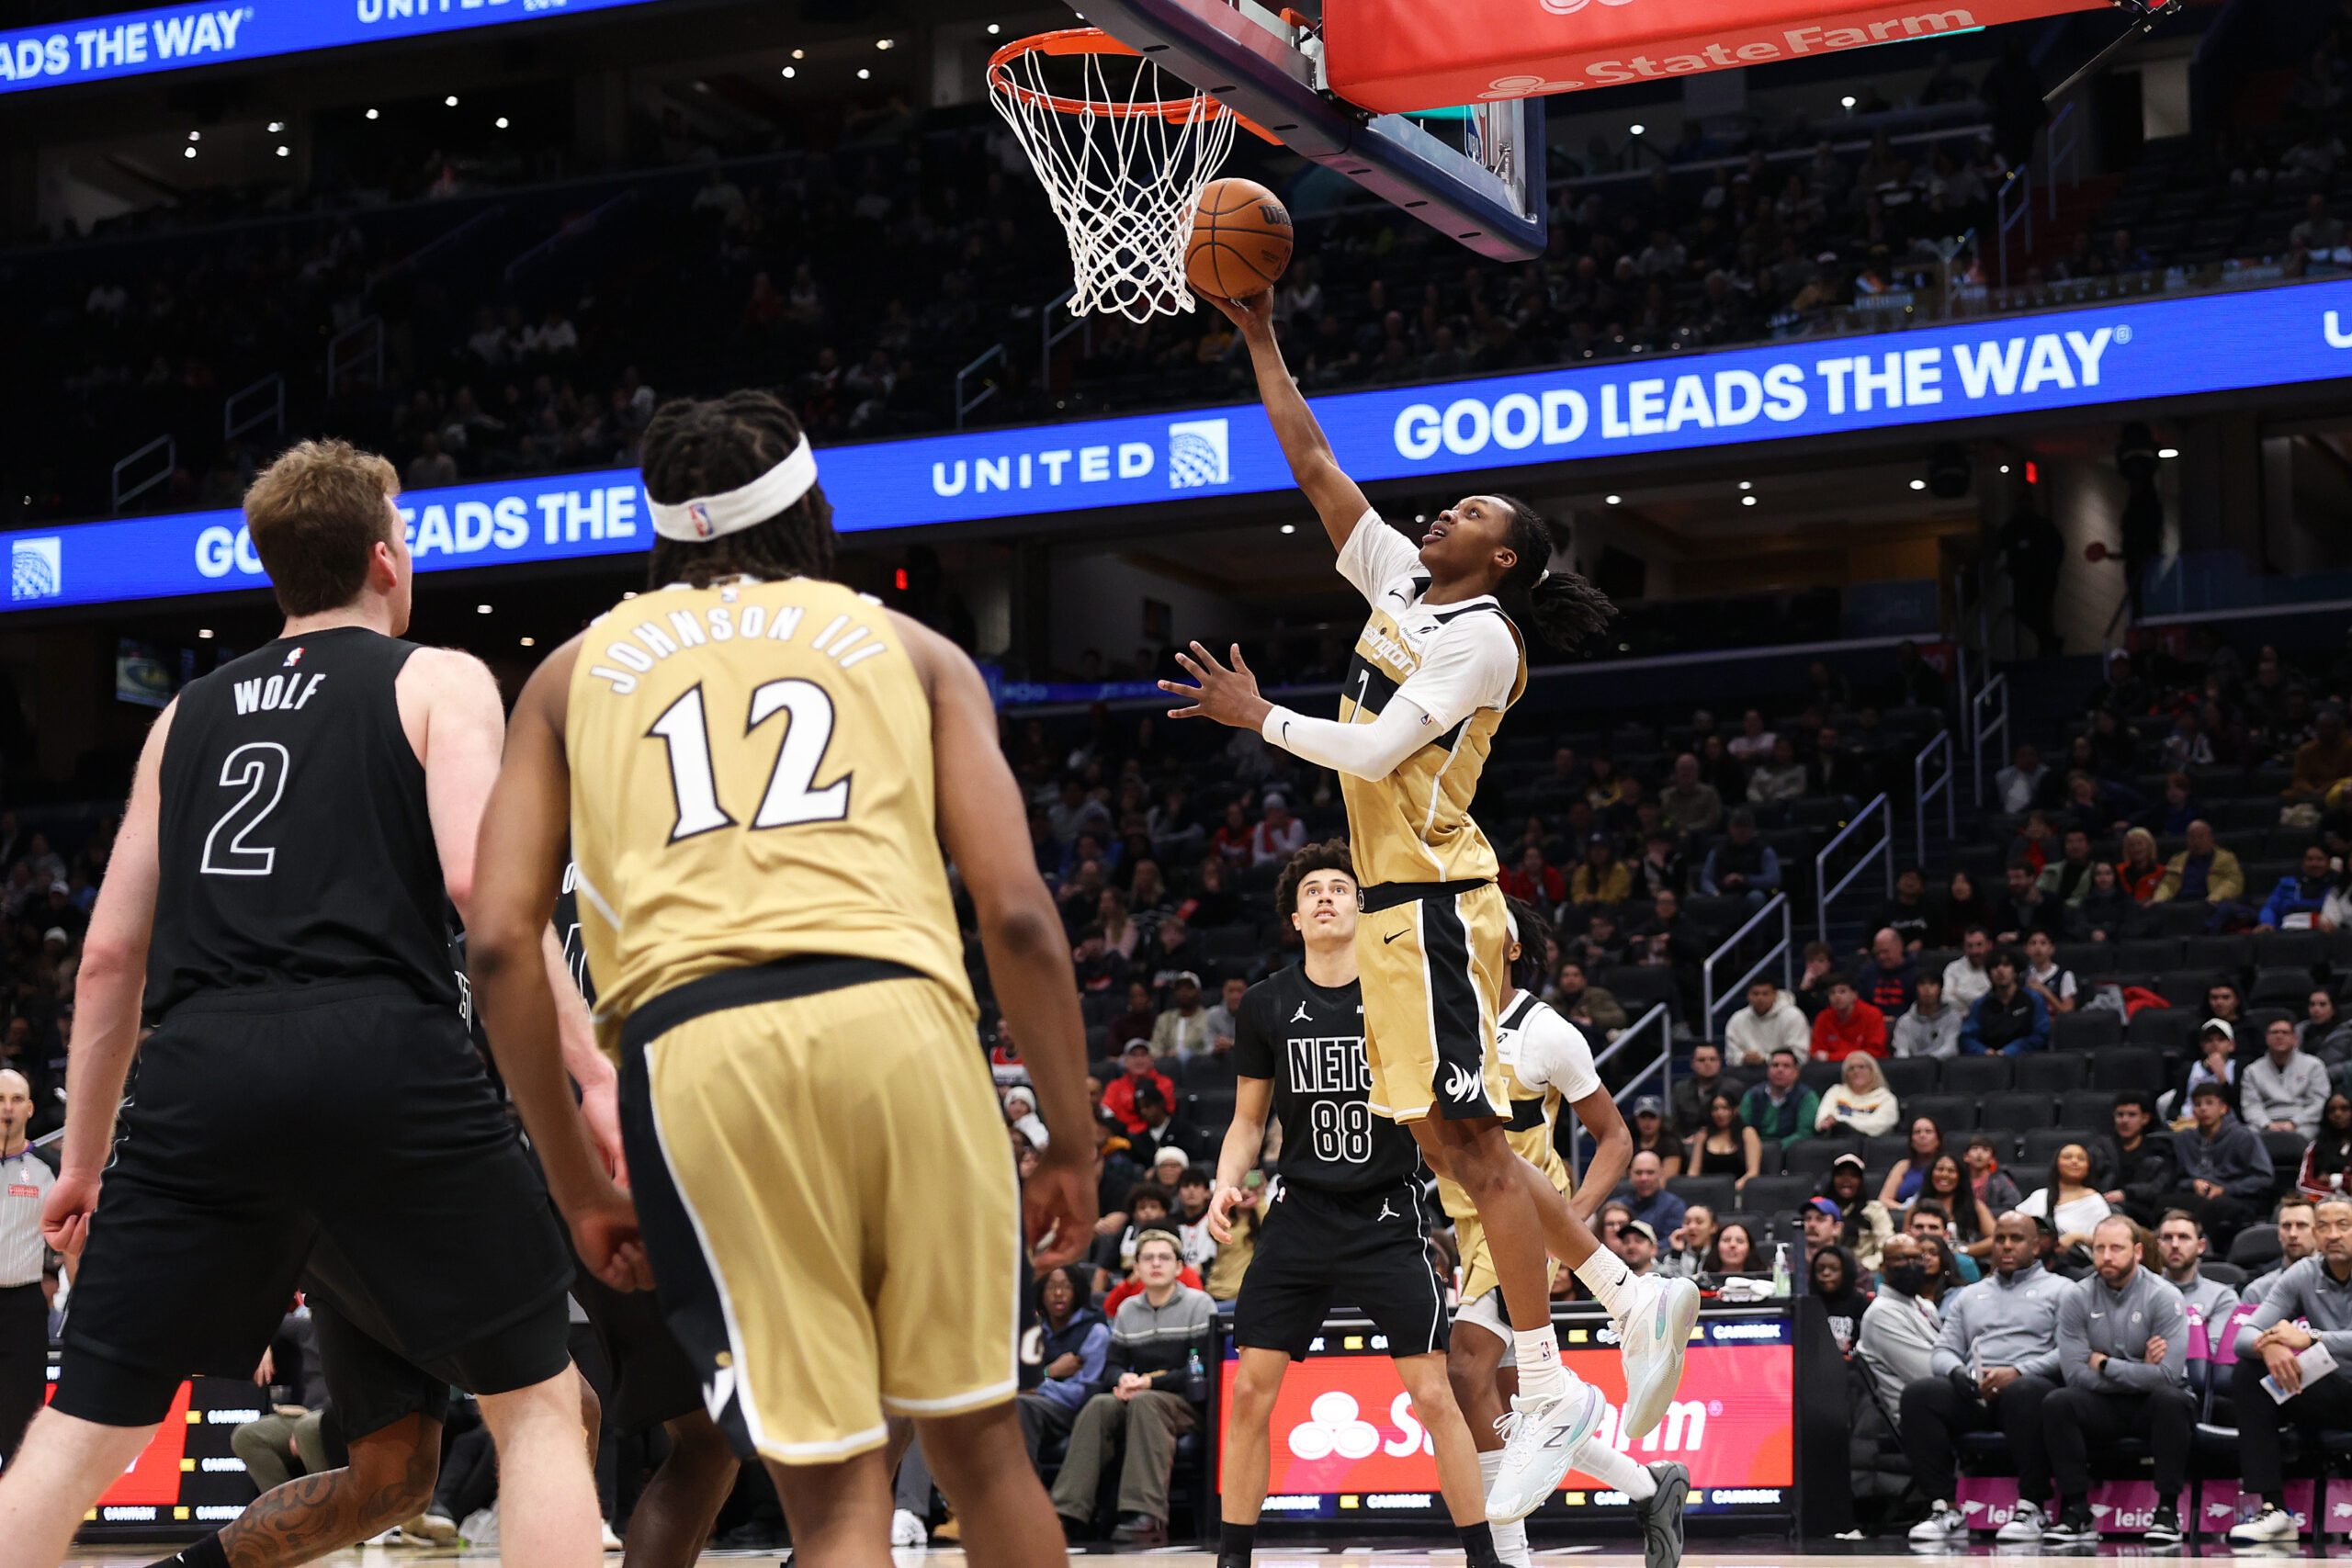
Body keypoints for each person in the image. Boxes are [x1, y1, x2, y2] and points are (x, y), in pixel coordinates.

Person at [465, 393, 1096, 1568]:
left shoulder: (564, 676)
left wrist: (578, 1186)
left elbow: (500, 943)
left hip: (700, 1050)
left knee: (836, 1492)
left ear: (664, 531)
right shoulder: (913, 650)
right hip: (903, 1022)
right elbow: (1016, 913)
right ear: (813, 509)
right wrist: (1070, 1138)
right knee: (982, 1454)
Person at [6, 440, 613, 1568]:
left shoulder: (182, 716)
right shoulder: (437, 678)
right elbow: (487, 900)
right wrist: (592, 1075)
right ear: (387, 559)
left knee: (80, 1432)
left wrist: (82, 1162)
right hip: (385, 1050)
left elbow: (106, 957)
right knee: (536, 1411)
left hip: (201, 1069)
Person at [1166, 287, 1696, 1526]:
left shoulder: (1486, 639)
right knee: (1456, 1143)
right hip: (1403, 912)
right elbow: (1311, 458)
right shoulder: (1402, 578)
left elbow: (1373, 750)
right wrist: (1260, 337)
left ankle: (1558, 1373)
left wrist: (1260, 718)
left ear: (1501, 557)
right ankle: (1620, 1293)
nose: (1442, 511)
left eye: (1471, 513)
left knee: (1472, 1142)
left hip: (1446, 902)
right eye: (1448, 504)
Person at [1212, 841, 1509, 1566]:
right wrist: (1227, 1180)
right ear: (1294, 916)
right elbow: (1249, 1120)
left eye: (1339, 887)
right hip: (1300, 1211)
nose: (1324, 897)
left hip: (1386, 1214)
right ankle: (1232, 1556)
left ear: (1361, 905)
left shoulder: (1398, 996)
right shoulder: (1266, 1004)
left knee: (1433, 1393)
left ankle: (1484, 1555)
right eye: (1311, 890)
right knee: (1251, 1390)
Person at [1438, 898, 1685, 1568]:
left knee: (1466, 1365)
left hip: (1518, 1217)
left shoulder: (1546, 1031)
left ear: (1513, 948)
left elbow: (1615, 1137)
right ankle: (1648, 1485)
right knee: (1527, 1402)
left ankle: (1507, 1555)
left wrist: (1567, 1224)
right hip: (1467, 1220)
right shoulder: (1445, 1020)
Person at [1903, 1213, 2069, 1545]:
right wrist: (1957, 1372)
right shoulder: (1970, 1295)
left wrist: (2020, 1371)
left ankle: (2032, 1506)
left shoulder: (2063, 1290)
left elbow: (2069, 1352)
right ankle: (1946, 1508)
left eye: (2016, 1239)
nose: (2006, 1245)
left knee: (2026, 1392)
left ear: (2036, 1245)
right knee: (1919, 1394)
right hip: (1977, 1392)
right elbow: (1943, 1350)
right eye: (2000, 1238)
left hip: (2029, 1391)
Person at [1048, 1231, 1214, 1545]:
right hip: (1141, 1395)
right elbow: (1112, 1366)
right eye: (1147, 1258)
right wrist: (1122, 1379)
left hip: (1185, 1404)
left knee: (1146, 1402)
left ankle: (1145, 1515)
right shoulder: (1127, 1309)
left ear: (1179, 1268)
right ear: (1135, 1267)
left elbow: (1198, 1368)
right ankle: (1068, 1513)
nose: (1155, 1264)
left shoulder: (1198, 1304)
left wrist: (1150, 1381)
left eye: (1164, 1258)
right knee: (1100, 1404)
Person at [2034, 1216, 2191, 1545]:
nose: (2106, 1256)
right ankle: (2076, 1510)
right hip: (2102, 1405)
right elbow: (2075, 1374)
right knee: (2058, 1402)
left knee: (2171, 1399)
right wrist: (2138, 1369)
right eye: (2099, 1248)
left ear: (2136, 1252)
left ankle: (2167, 1511)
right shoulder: (2076, 1297)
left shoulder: (2164, 1295)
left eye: (2116, 1248)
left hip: (2151, 1406)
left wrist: (2104, 1364)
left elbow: (2167, 1376)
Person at [2225, 1196, 2352, 1544]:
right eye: (2323, 1226)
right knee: (2250, 1374)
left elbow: (2312, 1339)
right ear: (2315, 1235)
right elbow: (2243, 1336)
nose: (2333, 1234)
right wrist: (2271, 1346)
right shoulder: (2303, 1273)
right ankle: (2274, 1510)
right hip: (2330, 1390)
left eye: (2344, 1225)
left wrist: (2310, 1339)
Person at [0, 1068, 49, 1469]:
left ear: (30, 1108)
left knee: (21, 1424)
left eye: (16, 1099)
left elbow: (70, 1244)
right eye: (0, 1099)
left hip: (22, 1308)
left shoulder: (49, 1167)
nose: (7, 1108)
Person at [1014, 1266, 1109, 1466]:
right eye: (1051, 1287)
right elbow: (1017, 1382)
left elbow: (1085, 1393)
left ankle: (1024, 1490)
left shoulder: (1095, 1332)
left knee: (1021, 1404)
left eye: (1066, 1286)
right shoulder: (1034, 1332)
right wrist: (1051, 1372)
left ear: (1077, 1291)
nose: (1058, 1293)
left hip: (1074, 1413)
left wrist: (1037, 1385)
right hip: (1038, 1408)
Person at [2165, 1081, 2274, 1247]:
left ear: (2223, 1108)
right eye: (2197, 1104)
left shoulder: (2244, 1137)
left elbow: (2264, 1178)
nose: (2203, 1109)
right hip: (2195, 1196)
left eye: (2209, 1103)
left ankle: (2198, 1247)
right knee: (2164, 1202)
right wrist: (2193, 1183)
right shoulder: (2184, 1139)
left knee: (2214, 1207)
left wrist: (2225, 1189)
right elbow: (2176, 1178)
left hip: (2235, 1196)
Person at [1858, 1233, 1946, 1414]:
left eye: (1916, 1258)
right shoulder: (1880, 1314)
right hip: (1918, 1416)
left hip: (1942, 1404)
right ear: (1883, 1268)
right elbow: (1929, 1373)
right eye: (1902, 1259)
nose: (1912, 1265)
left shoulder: (1924, 1305)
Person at [2091, 1091, 2181, 1225]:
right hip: (2102, 1205)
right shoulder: (2102, 1147)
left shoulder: (2159, 1149)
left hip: (2143, 1210)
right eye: (2120, 1115)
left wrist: (2126, 1194)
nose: (2125, 1120)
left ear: (2145, 1118)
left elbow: (2161, 1185)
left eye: (2132, 1115)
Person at [2241, 1015, 2330, 1139]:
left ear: (2295, 1038)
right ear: (2266, 1038)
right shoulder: (2252, 1070)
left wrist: (2294, 1123)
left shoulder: (2314, 1065)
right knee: (2246, 1135)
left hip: (2302, 1122)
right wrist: (2267, 1124)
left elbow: (2319, 1102)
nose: (2279, 1036)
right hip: (2266, 1121)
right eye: (2274, 1032)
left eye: (2285, 1032)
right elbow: (2251, 1105)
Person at [2018, 1144, 2113, 1257]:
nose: (2074, 1161)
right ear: (2056, 1164)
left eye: (2081, 1159)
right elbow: (2013, 1225)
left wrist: (2076, 1237)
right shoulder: (2039, 1196)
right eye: (2067, 1157)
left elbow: (2107, 1239)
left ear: (2088, 1167)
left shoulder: (2094, 1201)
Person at [2152, 1208, 2239, 1326]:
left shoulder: (2222, 1298)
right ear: (2159, 1246)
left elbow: (2216, 1345)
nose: (2175, 1245)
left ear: (2201, 1246)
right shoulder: (2142, 1294)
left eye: (2183, 1237)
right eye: (2167, 1238)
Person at [1960, 949, 2049, 1056]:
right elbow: (1967, 1038)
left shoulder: (2033, 999)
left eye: (2006, 965)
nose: (2000, 970)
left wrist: (2011, 1050)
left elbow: (2041, 1034)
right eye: (1995, 966)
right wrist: (1984, 1051)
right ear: (1989, 974)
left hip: (2027, 1061)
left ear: (2015, 971)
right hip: (1991, 1063)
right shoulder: (1980, 1004)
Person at [1822, 1153, 1895, 1270]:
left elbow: (1887, 1248)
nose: (1846, 1180)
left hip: (1864, 1272)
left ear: (1861, 1181)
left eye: (1853, 1175)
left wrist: (1862, 1266)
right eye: (1841, 1175)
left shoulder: (1875, 1210)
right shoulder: (1822, 1211)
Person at [2244, 1197, 2320, 1307]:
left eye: (2301, 1225)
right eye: (2286, 1226)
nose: (2292, 1234)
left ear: (2317, 1231)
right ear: (2279, 1233)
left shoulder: (2342, 1287)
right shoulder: (2257, 1292)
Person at [2152, 819, 2245, 907]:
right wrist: (2157, 900)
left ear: (2211, 839)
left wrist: (2215, 898)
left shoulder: (2226, 859)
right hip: (2180, 905)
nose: (2196, 842)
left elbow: (2233, 882)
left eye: (2201, 837)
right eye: (2192, 837)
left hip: (2210, 904)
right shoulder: (2177, 860)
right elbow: (2167, 884)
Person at [1740, 1048, 1818, 1147]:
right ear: (1768, 1070)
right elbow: (1742, 1129)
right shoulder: (1753, 1095)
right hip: (1755, 1149)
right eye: (1775, 1065)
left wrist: (1776, 1147)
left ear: (1796, 1072)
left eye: (1786, 1066)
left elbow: (1805, 1134)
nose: (1780, 1070)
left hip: (1791, 1154)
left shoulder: (1807, 1097)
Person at [1724, 976, 1809, 1067]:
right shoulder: (1737, 1019)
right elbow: (1730, 1055)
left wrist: (1765, 1059)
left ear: (1775, 995)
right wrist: (1743, 1057)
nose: (1760, 998)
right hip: (1747, 1070)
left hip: (1783, 1069)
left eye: (1765, 994)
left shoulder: (1793, 1016)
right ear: (1748, 996)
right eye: (1755, 994)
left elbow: (1800, 1055)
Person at [2255, 842, 2335, 931]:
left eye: (2320, 859)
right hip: (2288, 934)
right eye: (2309, 859)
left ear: (2328, 863)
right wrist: (2267, 923)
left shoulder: (2337, 886)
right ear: (2303, 863)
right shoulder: (2286, 884)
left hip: (2324, 934)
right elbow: (2270, 907)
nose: (2314, 864)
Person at [1668, 1041, 1740, 1139]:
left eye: (1712, 1059)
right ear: (1692, 1064)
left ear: (1719, 1063)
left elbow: (1739, 1124)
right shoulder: (1680, 1089)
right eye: (1702, 1060)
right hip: (1687, 1144)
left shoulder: (1734, 1088)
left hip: (1724, 1142)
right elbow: (1674, 1125)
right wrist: (1682, 1142)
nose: (1707, 1064)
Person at [1815, 1055, 1897, 1139]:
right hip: (1837, 1142)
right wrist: (1827, 1122)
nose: (1856, 1071)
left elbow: (1876, 1126)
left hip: (1871, 1145)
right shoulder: (1836, 1091)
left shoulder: (1886, 1098)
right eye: (1851, 1068)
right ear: (1846, 1074)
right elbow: (1822, 1120)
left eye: (1861, 1067)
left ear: (1873, 1071)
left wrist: (1840, 1120)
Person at [1811, 1246, 1872, 1356]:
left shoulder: (1860, 1302)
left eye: (1834, 1269)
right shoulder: (1808, 1303)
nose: (1826, 1273)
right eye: (1820, 1269)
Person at [1890, 974, 1961, 1060]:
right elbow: (1901, 1053)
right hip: (1911, 1069)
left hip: (1943, 1068)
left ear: (1940, 989)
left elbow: (1950, 1049)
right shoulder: (1904, 1022)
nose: (1927, 989)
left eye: (1932, 984)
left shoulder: (1953, 1018)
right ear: (1916, 989)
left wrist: (1925, 1063)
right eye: (1922, 984)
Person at [1880, 1117, 1947, 1207]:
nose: (1922, 1135)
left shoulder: (1947, 1166)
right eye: (1917, 1132)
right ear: (1911, 1142)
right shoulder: (1903, 1166)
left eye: (1928, 1131)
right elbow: (1884, 1199)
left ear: (1938, 1140)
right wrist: (1907, 1212)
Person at [1623, 1152, 1687, 1238]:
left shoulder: (1674, 1206)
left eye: (1650, 1172)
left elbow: (1673, 1240)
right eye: (1638, 1172)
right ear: (1630, 1174)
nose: (1644, 1178)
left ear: (1660, 1173)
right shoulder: (1619, 1206)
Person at [2300, 1093, 2352, 1196]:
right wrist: (2337, 1196)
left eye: (2344, 1109)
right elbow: (2304, 1186)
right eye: (2332, 1110)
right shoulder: (2315, 1147)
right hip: (2322, 1203)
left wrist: (2335, 1179)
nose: (2338, 1114)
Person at [1859, 929, 1917, 1019]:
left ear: (1899, 947)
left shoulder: (1916, 973)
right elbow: (1862, 1006)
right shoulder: (1868, 973)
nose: (1882, 957)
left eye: (1886, 951)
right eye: (1878, 953)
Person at [2018, 931, 2075, 1015]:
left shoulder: (2064, 975)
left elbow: (2067, 1011)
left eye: (2043, 943)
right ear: (2026, 949)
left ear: (2052, 948)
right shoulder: (2022, 977)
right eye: (2033, 943)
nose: (2038, 947)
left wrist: (2045, 992)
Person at [1940, 926, 1993, 1009]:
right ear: (1964, 947)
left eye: (1979, 945)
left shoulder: (1997, 967)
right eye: (1969, 946)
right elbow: (1945, 998)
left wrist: (1960, 993)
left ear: (1989, 945)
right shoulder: (1953, 968)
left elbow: (1993, 1001)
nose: (1974, 951)